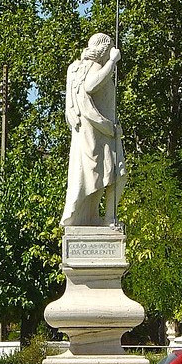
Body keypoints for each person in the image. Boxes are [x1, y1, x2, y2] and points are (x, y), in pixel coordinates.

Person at [60, 32, 126, 227]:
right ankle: (109, 218)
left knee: (102, 176)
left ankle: (98, 218)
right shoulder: (94, 66)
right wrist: (112, 62)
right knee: (116, 174)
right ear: (105, 49)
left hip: (96, 133)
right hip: (98, 132)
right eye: (111, 48)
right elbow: (91, 86)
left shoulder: (78, 68)